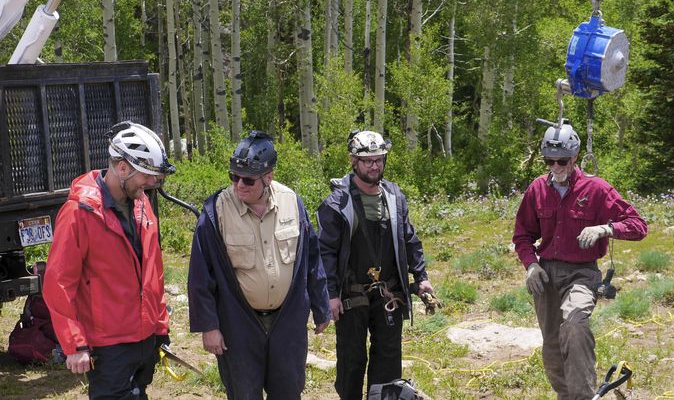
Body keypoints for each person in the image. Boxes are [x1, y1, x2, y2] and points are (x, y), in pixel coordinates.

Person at [187, 131, 330, 399]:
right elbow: (199, 276)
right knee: (244, 394)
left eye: (248, 179)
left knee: (288, 392)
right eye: (234, 177)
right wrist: (209, 326)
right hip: (238, 323)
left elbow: (312, 259)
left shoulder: (292, 203)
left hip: (287, 321)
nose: (239, 184)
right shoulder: (215, 211)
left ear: (269, 177)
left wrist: (321, 307)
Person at [512, 120, 647, 400]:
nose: (556, 167)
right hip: (547, 276)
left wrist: (606, 229)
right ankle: (567, 396)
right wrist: (531, 265)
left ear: (574, 157)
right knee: (552, 347)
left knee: (574, 326)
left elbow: (638, 225)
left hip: (582, 274)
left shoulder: (596, 189)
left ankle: (582, 397)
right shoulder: (537, 189)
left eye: (562, 161)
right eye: (549, 161)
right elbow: (522, 236)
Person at [43, 121, 175, 399]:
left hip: (145, 337)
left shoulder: (142, 204)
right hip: (108, 343)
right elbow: (59, 282)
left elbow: (154, 272)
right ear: (123, 168)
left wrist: (160, 326)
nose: (152, 183)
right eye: (146, 175)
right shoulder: (79, 212)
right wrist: (75, 344)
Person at [317, 130, 434, 400]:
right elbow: (326, 253)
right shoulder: (337, 203)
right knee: (352, 359)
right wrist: (331, 295)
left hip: (388, 294)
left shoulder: (394, 196)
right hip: (351, 296)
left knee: (389, 359)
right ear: (353, 162)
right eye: (367, 161)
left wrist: (422, 276)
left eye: (379, 160)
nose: (374, 166)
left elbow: (409, 239)